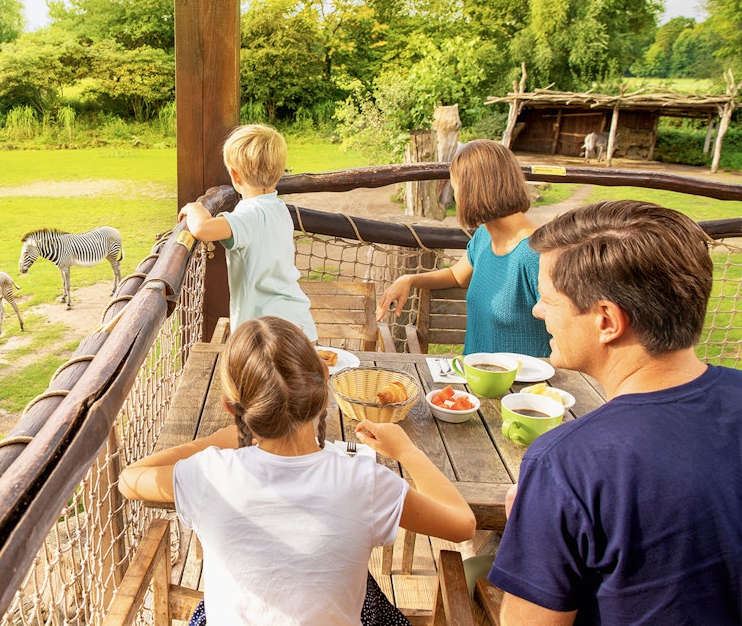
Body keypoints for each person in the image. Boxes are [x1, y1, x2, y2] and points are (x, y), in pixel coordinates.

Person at [119, 316, 476, 625]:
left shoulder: (208, 473)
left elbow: (130, 479)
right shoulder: (365, 482)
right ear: (324, 385)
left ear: (232, 407)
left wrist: (213, 441)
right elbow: (462, 525)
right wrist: (407, 451)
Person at [489, 200, 742, 625]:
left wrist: (536, 530)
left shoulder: (566, 464)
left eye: (549, 300)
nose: (538, 311)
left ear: (607, 320)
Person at [376, 139, 550, 357]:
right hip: (475, 377)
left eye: (455, 186)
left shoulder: (537, 254)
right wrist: (408, 280)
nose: (456, 196)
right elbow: (457, 276)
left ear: (473, 190)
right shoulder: (485, 236)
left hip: (523, 387)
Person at [179, 124, 317, 341]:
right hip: (299, 326)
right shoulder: (278, 208)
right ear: (279, 172)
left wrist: (196, 208)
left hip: (266, 334)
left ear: (234, 175)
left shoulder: (248, 216)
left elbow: (202, 229)